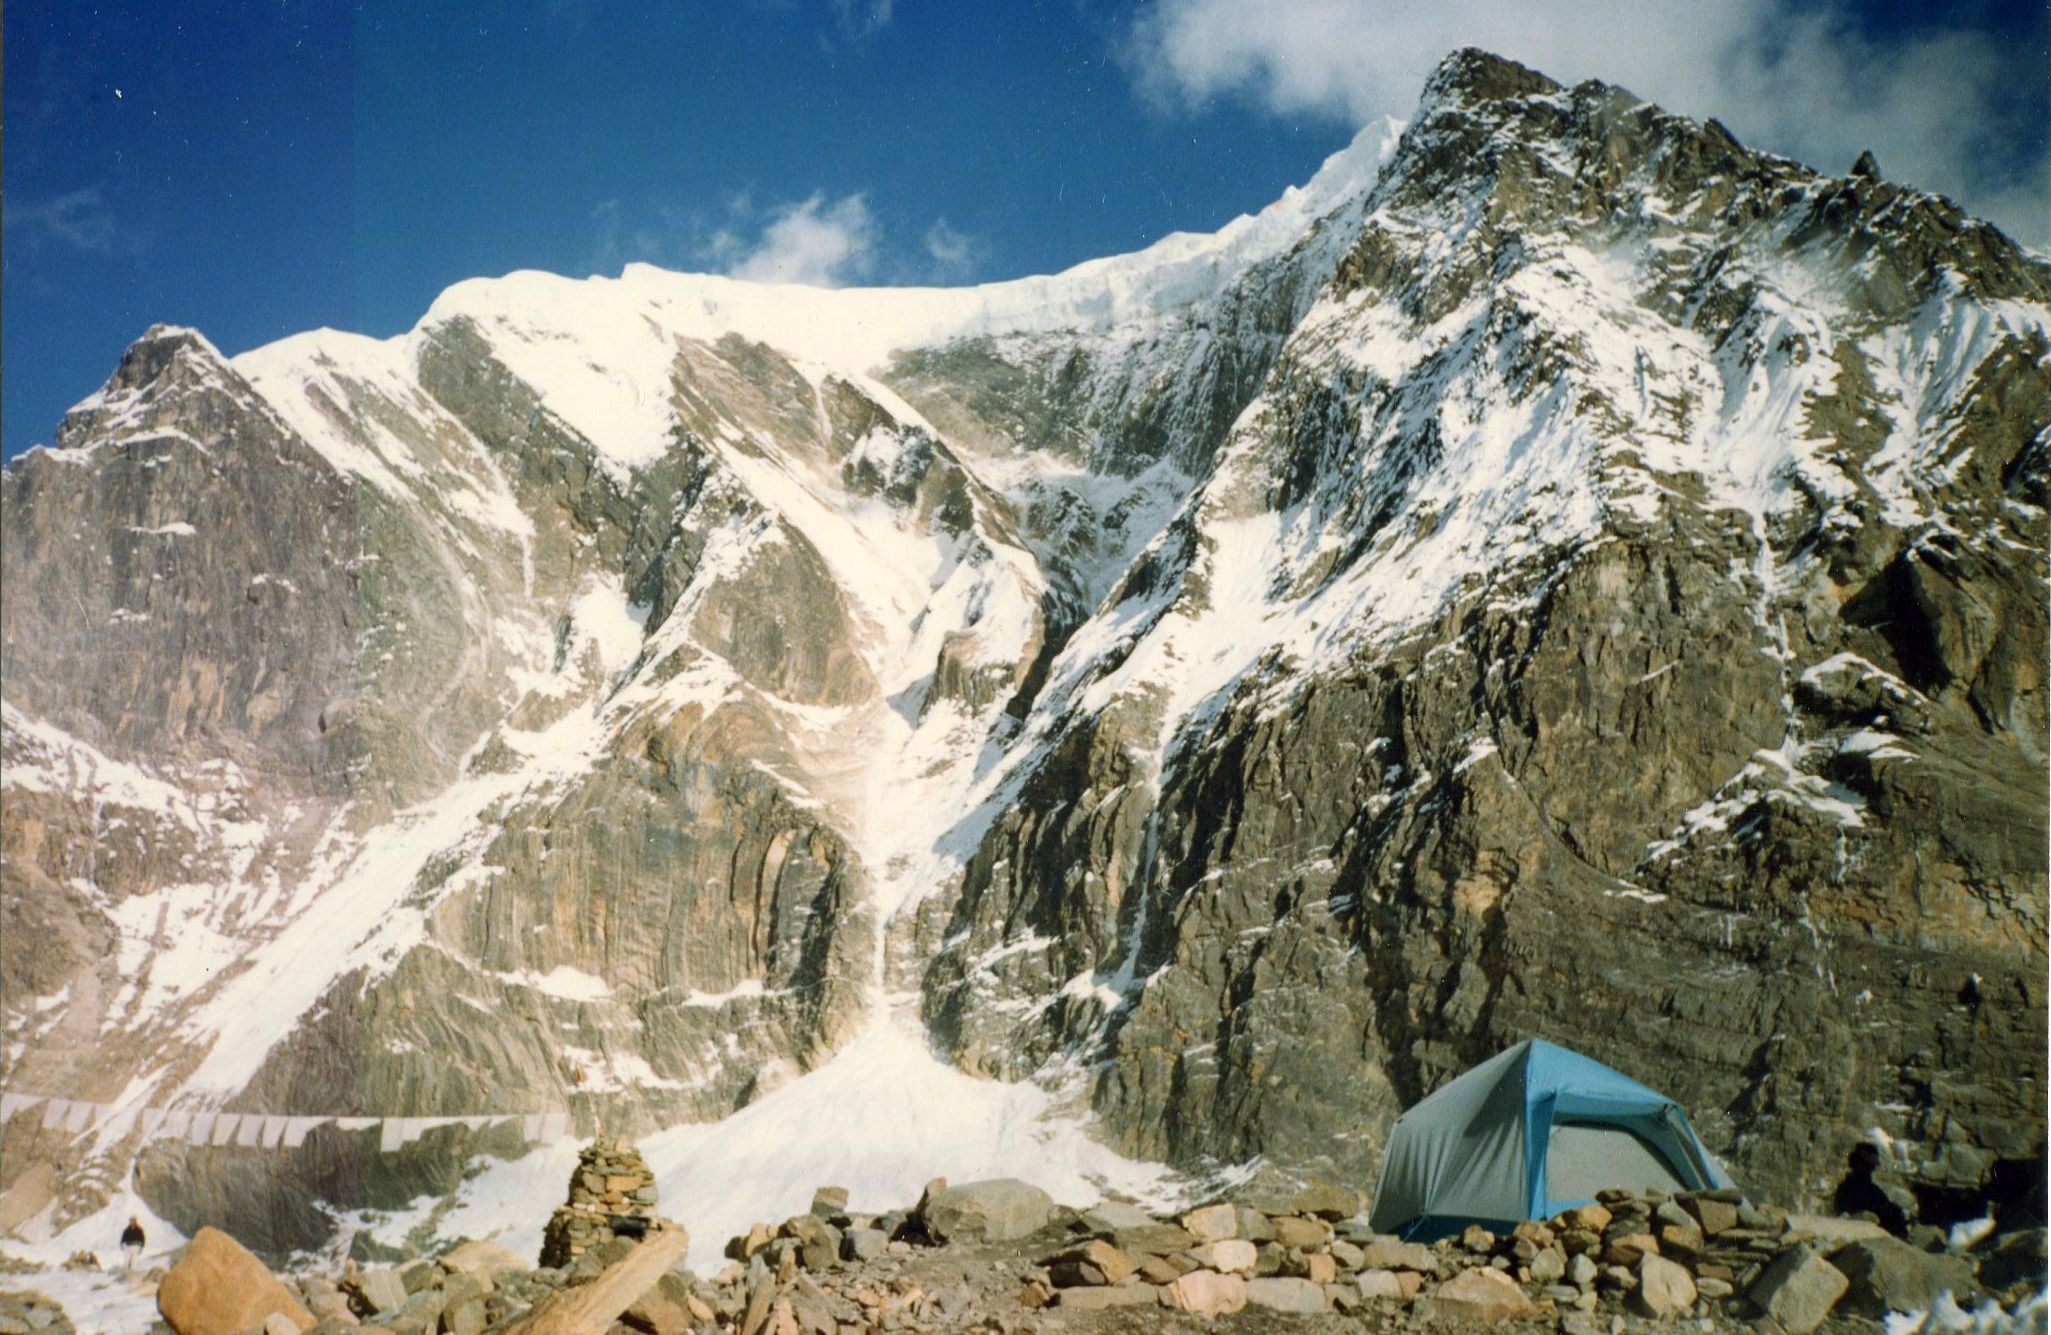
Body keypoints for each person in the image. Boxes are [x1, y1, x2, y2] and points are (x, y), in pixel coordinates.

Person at [1834, 1144, 1909, 1237]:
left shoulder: (1875, 1192)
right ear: (1856, 1163)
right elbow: (1845, 1216)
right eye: (1866, 1165)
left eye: (1871, 1166)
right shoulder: (1846, 1189)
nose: (1869, 1170)